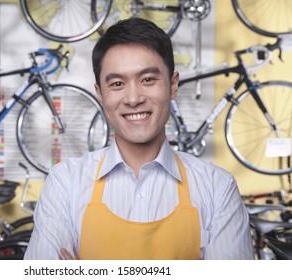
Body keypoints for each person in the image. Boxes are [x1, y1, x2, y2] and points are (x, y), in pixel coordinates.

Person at [24, 17, 254, 260]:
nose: (133, 98)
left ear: (173, 85)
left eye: (148, 80)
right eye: (117, 83)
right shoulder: (65, 183)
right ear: (100, 94)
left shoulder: (217, 189)